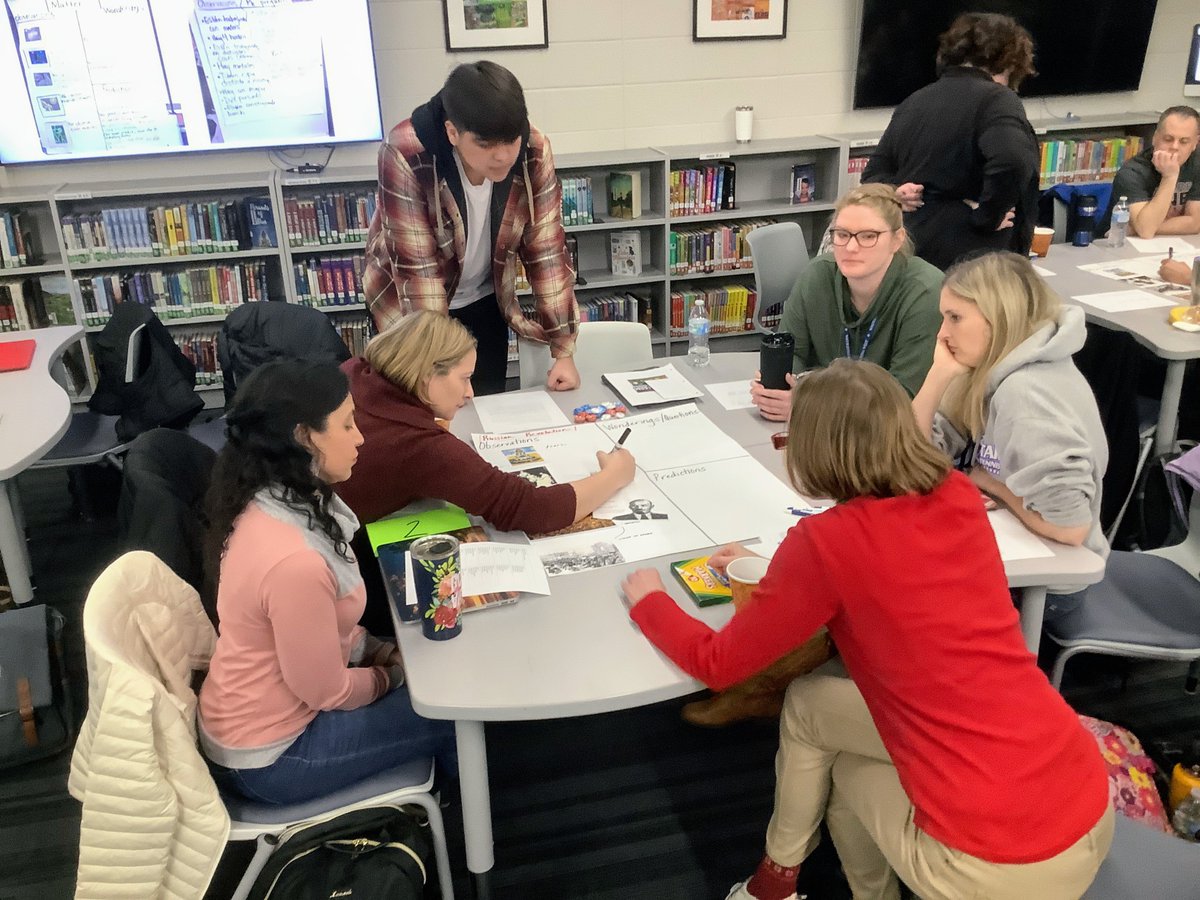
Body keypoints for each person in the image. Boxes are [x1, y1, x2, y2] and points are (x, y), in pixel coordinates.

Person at [622, 360, 1112, 900]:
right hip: (1084, 800)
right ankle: (777, 884)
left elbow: (718, 664)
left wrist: (651, 603)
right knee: (810, 702)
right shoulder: (954, 494)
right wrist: (782, 570)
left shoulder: (826, 543)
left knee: (846, 778)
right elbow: (889, 576)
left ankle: (787, 885)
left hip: (997, 865)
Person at [197, 359, 456, 805]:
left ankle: (447, 799)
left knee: (436, 686)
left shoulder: (270, 499)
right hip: (274, 757)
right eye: (347, 424)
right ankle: (462, 830)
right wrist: (391, 677)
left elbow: (320, 627)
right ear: (304, 437)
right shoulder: (295, 562)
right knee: (455, 708)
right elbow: (327, 690)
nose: (360, 437)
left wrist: (375, 648)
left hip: (259, 720)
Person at [363, 60, 581, 396]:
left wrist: (563, 351)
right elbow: (418, 271)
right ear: (453, 132)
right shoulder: (406, 152)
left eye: (511, 141)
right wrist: (434, 370)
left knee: (483, 403)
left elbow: (546, 250)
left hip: (485, 298)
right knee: (426, 407)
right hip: (411, 306)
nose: (503, 157)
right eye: (486, 145)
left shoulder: (533, 148)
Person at [912, 252, 1108, 612]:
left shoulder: (1026, 396)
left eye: (955, 318)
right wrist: (938, 375)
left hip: (1048, 587)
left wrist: (987, 481)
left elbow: (1070, 527)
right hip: (1014, 549)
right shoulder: (987, 368)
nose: (942, 333)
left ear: (998, 318)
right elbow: (915, 457)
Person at [337, 310, 635, 530]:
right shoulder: (418, 445)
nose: (470, 393)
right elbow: (529, 508)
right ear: (427, 375)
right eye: (464, 379)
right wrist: (614, 476)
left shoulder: (356, 370)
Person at [862, 12, 1040, 270]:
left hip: (911, 253)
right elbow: (1012, 161)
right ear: (1011, 62)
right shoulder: (997, 100)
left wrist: (896, 191)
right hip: (973, 259)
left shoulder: (915, 101)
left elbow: (872, 176)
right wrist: (988, 217)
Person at [751, 183, 942, 422]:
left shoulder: (924, 292)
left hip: (888, 434)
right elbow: (792, 354)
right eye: (842, 235)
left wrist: (809, 406)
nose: (851, 247)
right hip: (821, 429)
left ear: (896, 240)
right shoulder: (817, 275)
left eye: (868, 236)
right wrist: (777, 390)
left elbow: (902, 399)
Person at [1097, 106, 1200, 238]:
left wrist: (1137, 228)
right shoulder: (1132, 172)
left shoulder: (1196, 164)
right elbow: (1146, 231)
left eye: (1184, 142)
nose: (1174, 147)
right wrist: (1169, 177)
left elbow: (1195, 223)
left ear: (1195, 144)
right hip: (1120, 246)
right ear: (1155, 138)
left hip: (1176, 243)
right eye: (1168, 139)